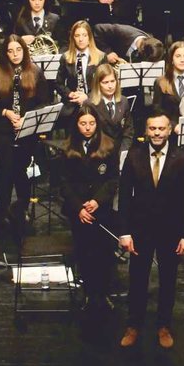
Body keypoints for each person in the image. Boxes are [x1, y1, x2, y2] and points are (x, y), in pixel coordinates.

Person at [117, 108, 184, 349]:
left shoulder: (183, 157)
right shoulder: (133, 155)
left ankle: (164, 325)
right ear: (146, 130)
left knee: (168, 279)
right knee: (137, 279)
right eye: (152, 128)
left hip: (170, 230)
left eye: (161, 128)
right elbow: (124, 197)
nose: (157, 133)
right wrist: (124, 232)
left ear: (170, 130)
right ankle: (134, 325)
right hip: (140, 229)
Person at [0, 36, 51, 232]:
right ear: (5, 53)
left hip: (26, 131)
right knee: (5, 172)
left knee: (22, 173)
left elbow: (45, 101)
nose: (15, 55)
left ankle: (22, 209)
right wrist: (5, 112)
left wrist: (26, 119)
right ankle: (1, 213)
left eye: (18, 50)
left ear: (24, 51)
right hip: (3, 130)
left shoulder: (35, 72)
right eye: (10, 51)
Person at [60, 105, 120, 313]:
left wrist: (97, 201)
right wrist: (79, 208)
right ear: (76, 125)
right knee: (83, 252)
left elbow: (113, 179)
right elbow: (64, 183)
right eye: (83, 123)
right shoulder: (67, 148)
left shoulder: (110, 146)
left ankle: (103, 294)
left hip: (100, 209)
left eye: (91, 123)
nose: (88, 128)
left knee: (104, 252)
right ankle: (87, 293)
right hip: (79, 211)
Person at [55, 20, 104, 118]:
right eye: (77, 36)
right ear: (73, 38)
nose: (80, 39)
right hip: (72, 104)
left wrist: (87, 97)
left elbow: (103, 84)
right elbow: (58, 83)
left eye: (84, 35)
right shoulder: (66, 57)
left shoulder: (100, 57)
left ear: (89, 37)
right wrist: (70, 94)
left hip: (94, 102)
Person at [89, 63, 134, 154]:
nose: (110, 86)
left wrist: (124, 152)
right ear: (98, 84)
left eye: (112, 81)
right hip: (99, 153)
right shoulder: (90, 104)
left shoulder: (124, 101)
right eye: (105, 82)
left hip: (120, 151)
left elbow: (128, 132)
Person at [93, 23, 165, 67]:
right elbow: (98, 28)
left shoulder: (151, 45)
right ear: (142, 49)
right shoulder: (122, 31)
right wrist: (108, 53)